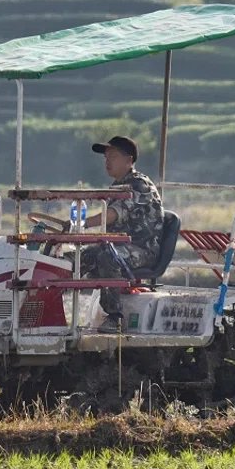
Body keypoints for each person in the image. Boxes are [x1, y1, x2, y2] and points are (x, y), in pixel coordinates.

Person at [66, 135, 164, 333]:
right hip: (118, 246)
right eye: (105, 157)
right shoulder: (118, 186)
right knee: (74, 258)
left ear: (129, 160)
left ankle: (114, 318)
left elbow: (113, 214)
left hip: (142, 249)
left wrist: (80, 224)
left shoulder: (139, 185)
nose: (107, 161)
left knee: (108, 257)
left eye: (113, 156)